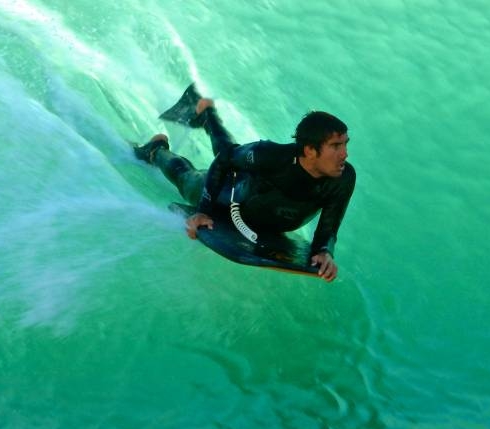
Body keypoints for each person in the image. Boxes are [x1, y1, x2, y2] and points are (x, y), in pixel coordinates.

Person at [133, 86, 355, 282]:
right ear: (310, 150)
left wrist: (324, 251)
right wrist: (203, 211)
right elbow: (225, 159)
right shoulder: (269, 155)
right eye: (336, 146)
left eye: (345, 144)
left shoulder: (343, 178)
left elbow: (330, 224)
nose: (344, 154)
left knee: (232, 152)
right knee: (188, 179)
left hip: (269, 219)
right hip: (228, 198)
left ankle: (207, 113)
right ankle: (156, 150)